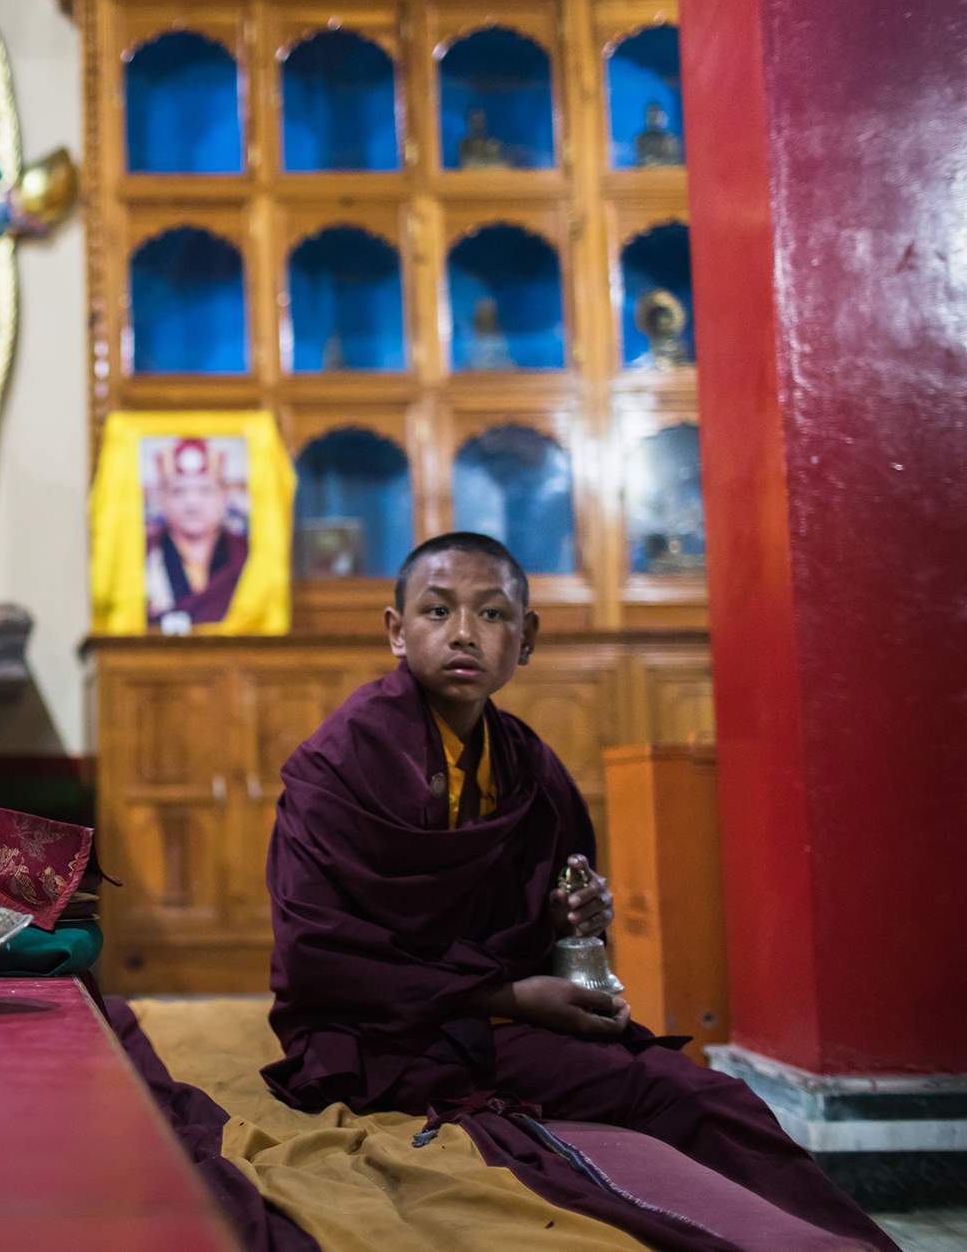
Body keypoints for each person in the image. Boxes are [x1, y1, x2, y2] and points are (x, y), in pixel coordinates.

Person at [262, 531, 895, 1249]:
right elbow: (319, 954)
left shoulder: (528, 763)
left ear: (526, 638)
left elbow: (540, 919)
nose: (464, 633)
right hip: (375, 1035)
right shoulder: (338, 763)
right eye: (437, 612)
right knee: (681, 1093)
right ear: (396, 631)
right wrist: (505, 998)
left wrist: (574, 916)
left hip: (482, 1017)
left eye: (493, 615)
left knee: (704, 1093)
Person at [144, 438, 248, 631]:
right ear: (161, 499)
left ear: (224, 497)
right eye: (178, 491)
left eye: (205, 490)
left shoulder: (248, 553)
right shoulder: (142, 554)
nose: (192, 503)